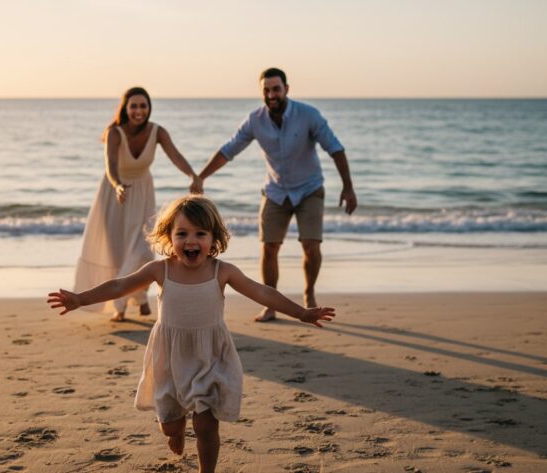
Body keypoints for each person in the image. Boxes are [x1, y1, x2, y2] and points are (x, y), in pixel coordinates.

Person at [49, 195, 336, 473]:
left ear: (214, 239)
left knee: (207, 425)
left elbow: (262, 292)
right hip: (170, 358)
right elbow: (119, 286)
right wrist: (81, 299)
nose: (191, 241)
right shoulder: (160, 270)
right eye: (182, 233)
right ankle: (176, 433)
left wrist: (301, 312)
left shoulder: (222, 272)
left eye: (200, 234)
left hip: (209, 356)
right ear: (169, 237)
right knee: (170, 425)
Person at [190, 67, 358, 323]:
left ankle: (309, 295)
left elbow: (335, 149)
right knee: (269, 247)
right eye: (266, 90)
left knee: (311, 246)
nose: (271, 95)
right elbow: (229, 149)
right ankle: (270, 305)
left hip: (309, 189)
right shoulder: (255, 120)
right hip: (276, 191)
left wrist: (348, 187)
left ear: (286, 90)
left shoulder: (308, 115)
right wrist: (202, 176)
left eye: (276, 89)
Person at [74, 87, 201, 322]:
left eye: (143, 106)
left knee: (143, 249)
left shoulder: (157, 132)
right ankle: (132, 302)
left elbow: (176, 156)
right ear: (126, 108)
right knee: (117, 251)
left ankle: (129, 302)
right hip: (115, 194)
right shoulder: (114, 133)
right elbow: (110, 166)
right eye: (134, 106)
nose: (139, 111)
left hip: (143, 193)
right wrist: (118, 185)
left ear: (149, 108)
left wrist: (193, 176)